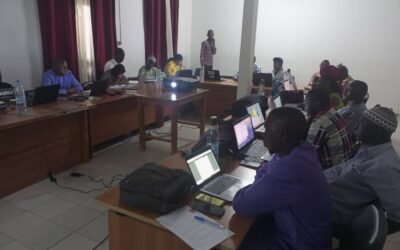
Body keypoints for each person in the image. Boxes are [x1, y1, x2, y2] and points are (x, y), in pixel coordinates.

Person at [233, 107, 332, 250]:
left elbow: (241, 204)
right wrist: (262, 183)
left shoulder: (293, 168)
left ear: (282, 135)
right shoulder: (301, 150)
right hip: (293, 232)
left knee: (233, 238)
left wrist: (257, 186)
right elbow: (264, 172)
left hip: (297, 244)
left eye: (267, 130)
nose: (263, 135)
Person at [325, 105, 400, 234]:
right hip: (322, 193)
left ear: (374, 131)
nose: (356, 128)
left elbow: (398, 217)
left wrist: (358, 235)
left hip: (329, 213)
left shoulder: (384, 167)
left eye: (361, 125)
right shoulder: (368, 147)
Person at [305, 88, 352, 169]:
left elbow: (308, 154)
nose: (304, 105)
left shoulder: (319, 123)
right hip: (344, 165)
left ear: (317, 103)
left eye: (306, 102)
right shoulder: (333, 113)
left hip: (331, 172)